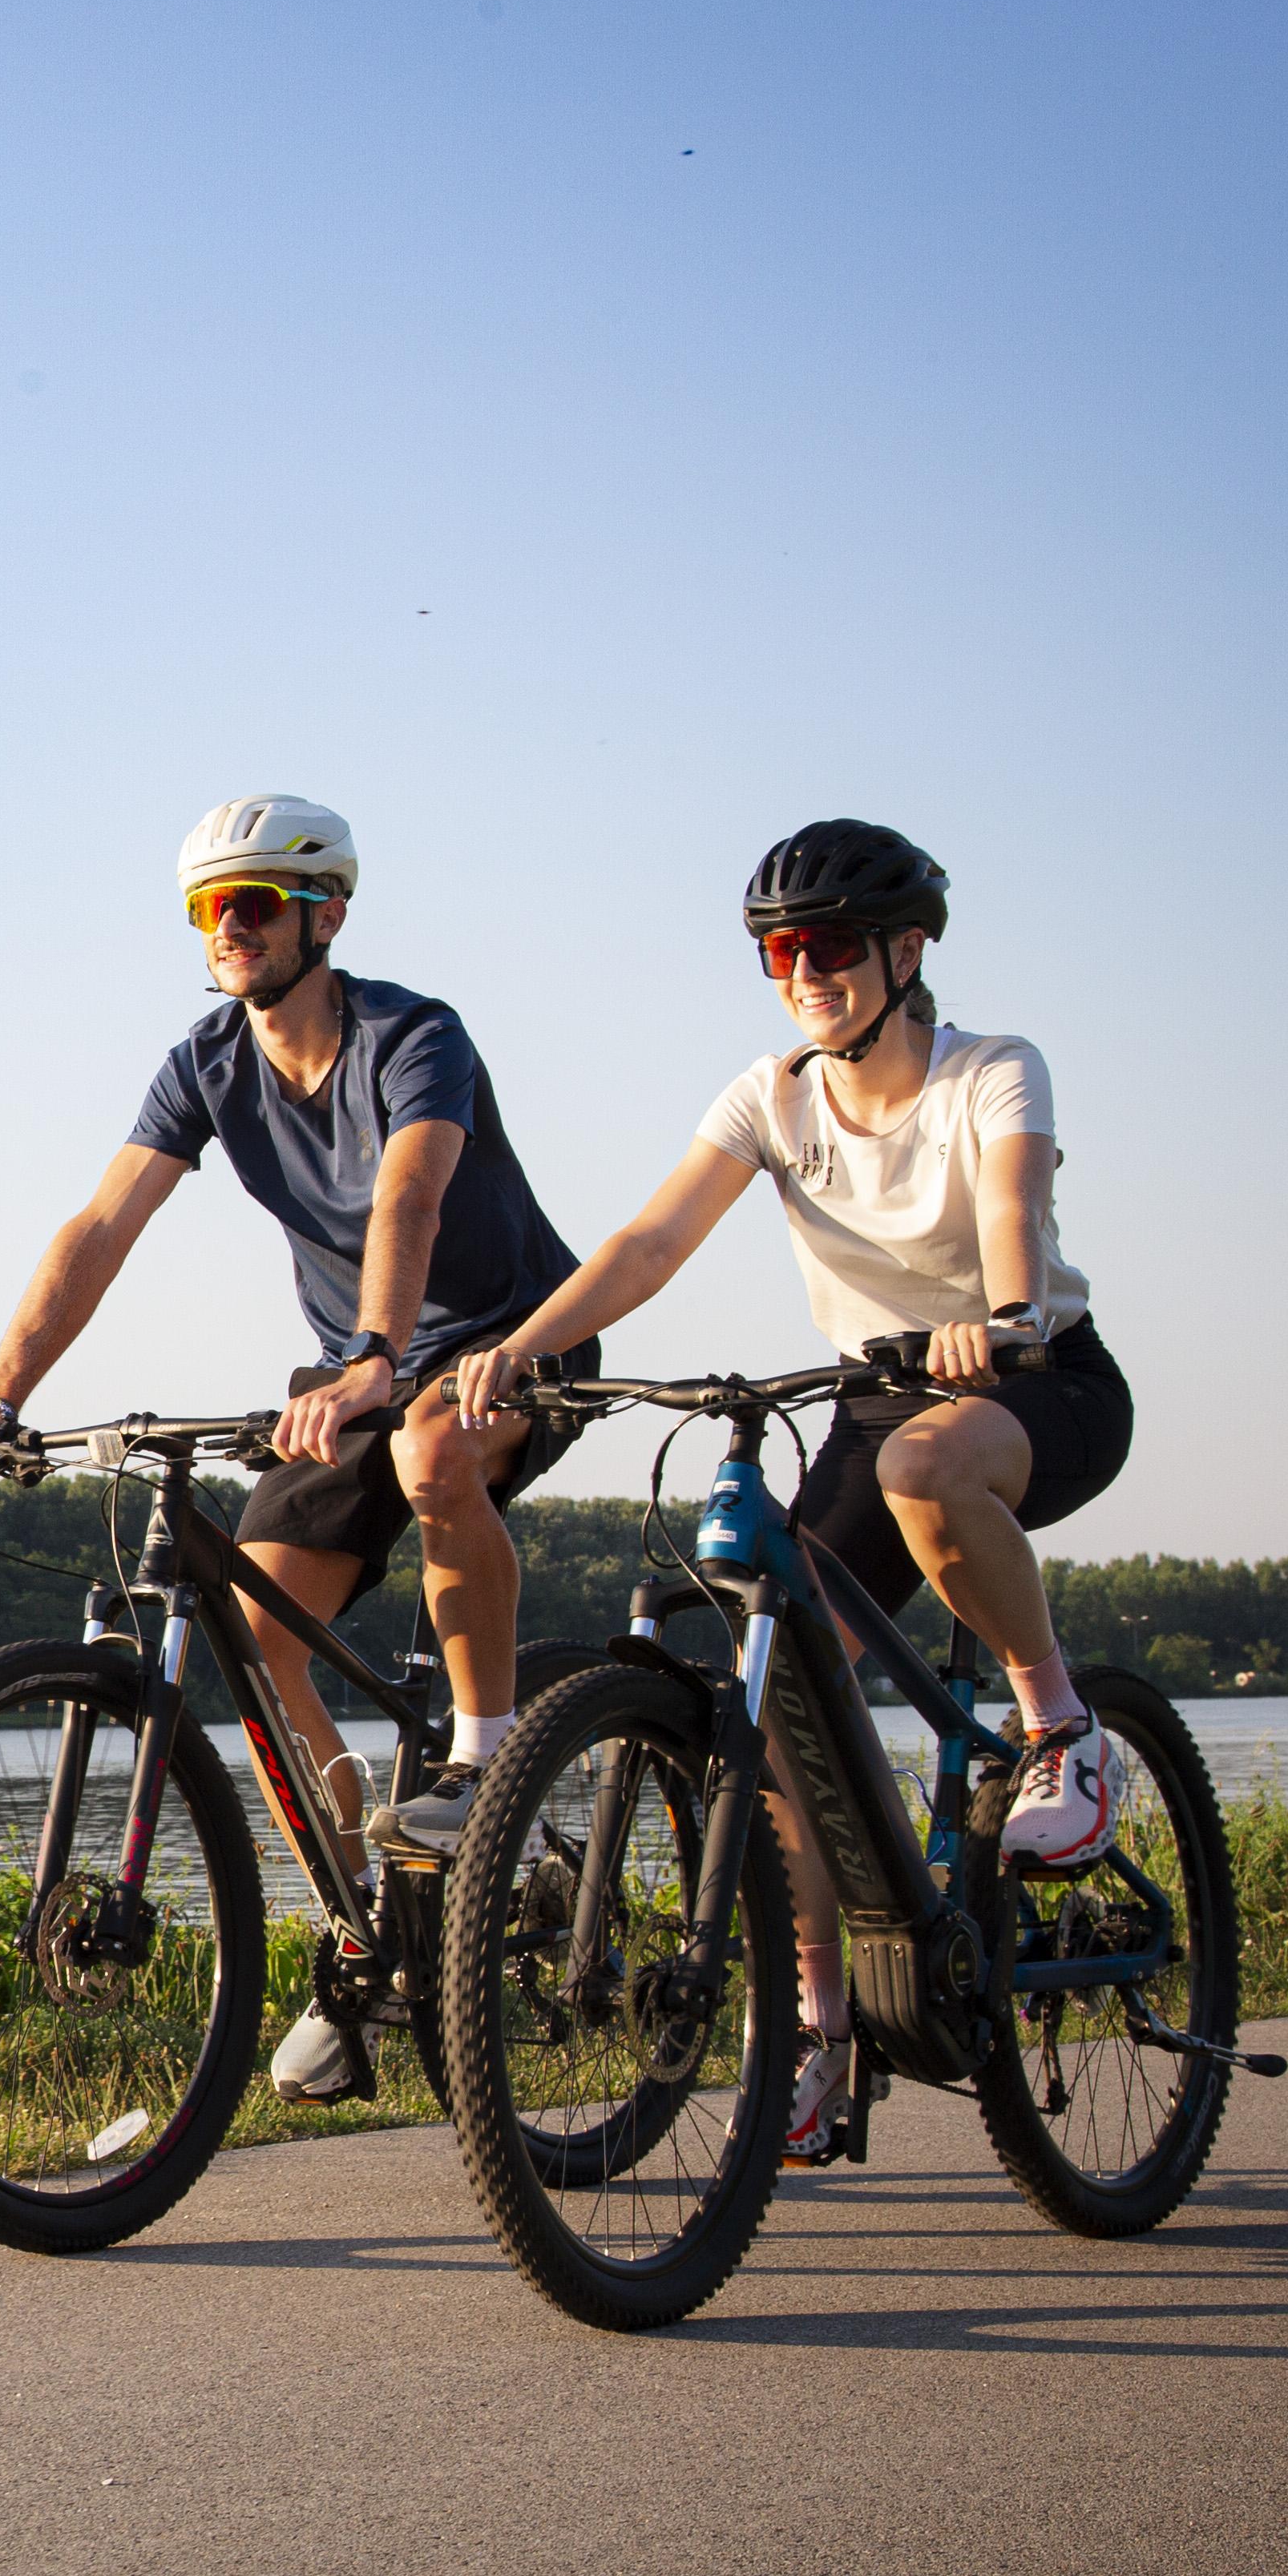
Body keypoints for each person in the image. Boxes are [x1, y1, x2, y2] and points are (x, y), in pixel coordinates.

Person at [446, 817, 1136, 2163]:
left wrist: (997, 1316)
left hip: (1032, 1375)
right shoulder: (771, 1095)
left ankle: (1066, 1735)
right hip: (872, 1397)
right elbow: (653, 1237)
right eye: (778, 951)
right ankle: (823, 2031)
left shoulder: (992, 1070)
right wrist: (532, 1349)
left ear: (906, 949)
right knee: (775, 1709)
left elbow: (1010, 1204)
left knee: (925, 1463)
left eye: (825, 946)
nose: (802, 972)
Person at [0, 794, 596, 2106]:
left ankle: (483, 1757)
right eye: (209, 907)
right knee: (257, 1633)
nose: (230, 927)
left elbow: (410, 1190)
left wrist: (374, 1359)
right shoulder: (205, 1062)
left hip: (507, 1340)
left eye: (257, 904)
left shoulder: (414, 1035)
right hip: (358, 1369)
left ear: (325, 917)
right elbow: (101, 1228)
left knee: (432, 1458)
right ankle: (372, 1926)